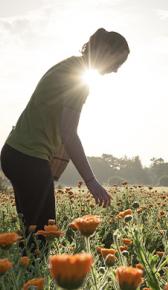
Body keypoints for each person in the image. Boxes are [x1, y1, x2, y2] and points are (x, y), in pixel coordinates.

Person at [0, 28, 129, 246]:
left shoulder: (68, 65)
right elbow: (69, 134)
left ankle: (20, 276)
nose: (116, 70)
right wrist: (91, 181)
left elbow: (56, 126)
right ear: (107, 52)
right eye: (119, 62)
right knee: (42, 236)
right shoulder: (78, 80)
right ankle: (31, 277)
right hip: (29, 158)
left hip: (15, 153)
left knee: (32, 232)